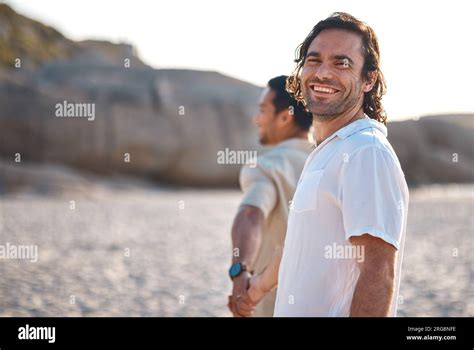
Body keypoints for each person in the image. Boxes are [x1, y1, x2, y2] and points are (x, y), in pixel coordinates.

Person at [269, 12, 409, 317]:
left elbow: (378, 271)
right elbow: (305, 250)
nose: (322, 73)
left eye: (341, 63)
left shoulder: (365, 152)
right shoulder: (329, 150)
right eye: (314, 60)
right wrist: (255, 286)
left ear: (368, 79)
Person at [227, 75, 313, 317]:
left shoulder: (267, 166)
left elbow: (251, 212)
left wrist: (239, 270)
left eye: (263, 110)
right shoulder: (329, 164)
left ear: (285, 116)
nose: (257, 119)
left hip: (272, 305)